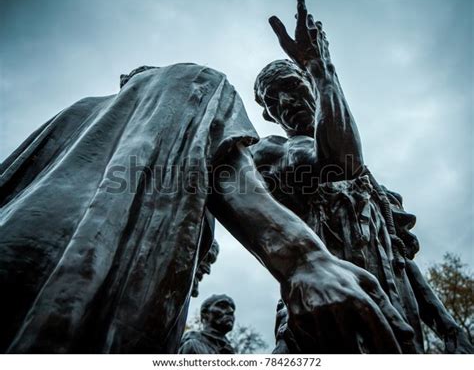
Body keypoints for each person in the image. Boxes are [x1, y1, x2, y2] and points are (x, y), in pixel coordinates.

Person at [0, 61, 413, 353]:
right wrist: (303, 259)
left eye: (291, 89)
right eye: (274, 99)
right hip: (98, 297)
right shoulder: (198, 86)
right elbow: (229, 171)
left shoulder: (75, 115)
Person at [251, 0, 472, 353]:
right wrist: (321, 71)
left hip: (395, 312)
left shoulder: (371, 185)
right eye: (273, 102)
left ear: (306, 84)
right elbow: (339, 162)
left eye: (290, 89)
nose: (285, 105)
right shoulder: (270, 152)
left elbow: (399, 258)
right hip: (324, 312)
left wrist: (446, 324)